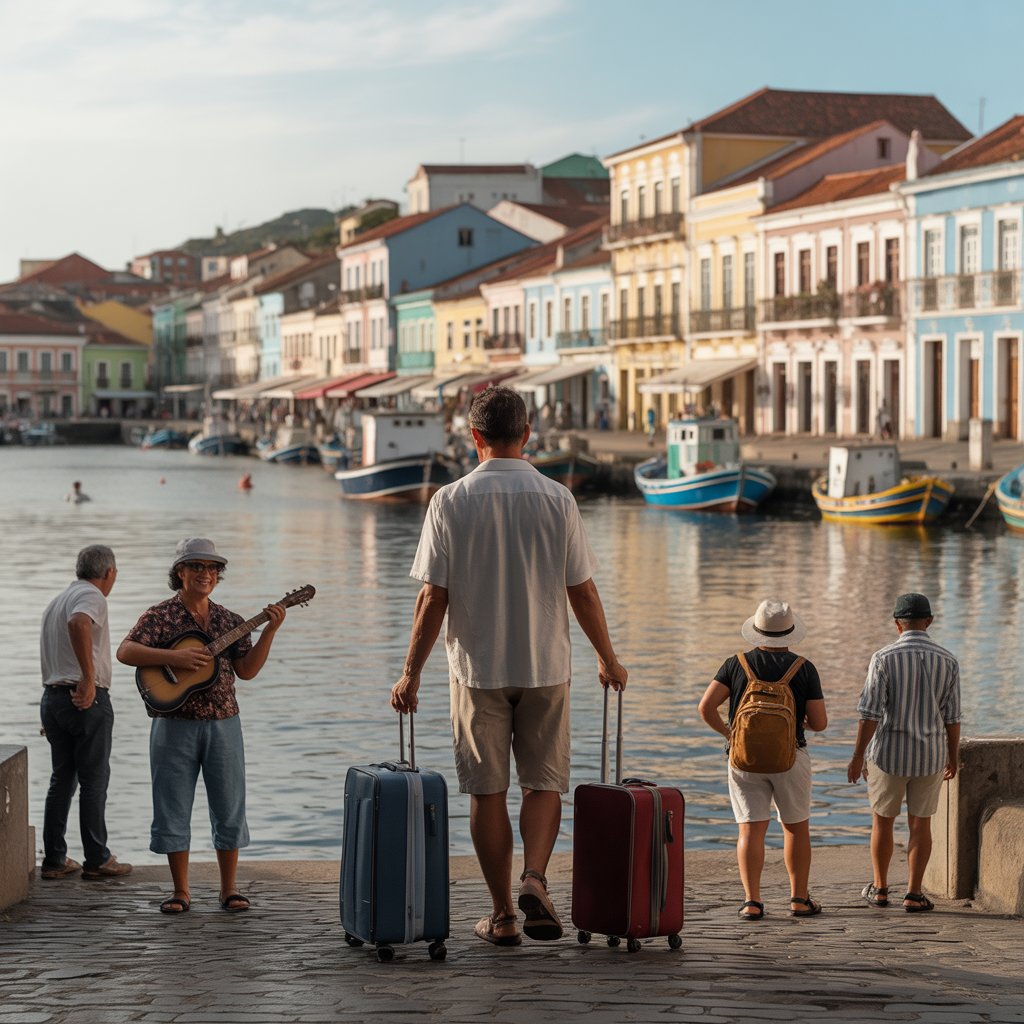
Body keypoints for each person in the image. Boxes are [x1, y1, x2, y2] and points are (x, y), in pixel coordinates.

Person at [390, 386, 628, 947]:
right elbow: (584, 592)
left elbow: (432, 599)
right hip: (547, 664)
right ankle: (535, 877)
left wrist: (411, 673)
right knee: (544, 784)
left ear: (475, 438)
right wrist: (608, 657)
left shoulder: (449, 500)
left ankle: (502, 916)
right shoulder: (557, 498)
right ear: (528, 434)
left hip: (478, 668)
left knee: (486, 791)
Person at [116, 538, 287, 915]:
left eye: (212, 569)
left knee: (229, 806)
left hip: (224, 723)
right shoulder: (160, 616)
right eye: (197, 567)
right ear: (180, 572)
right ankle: (181, 891)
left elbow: (247, 671)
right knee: (172, 805)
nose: (206, 574)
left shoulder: (229, 620)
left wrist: (269, 632)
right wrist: (172, 656)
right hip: (172, 724)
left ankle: (229, 890)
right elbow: (126, 651)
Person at [698, 598, 827, 920]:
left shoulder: (735, 664)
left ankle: (752, 902)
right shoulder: (804, 668)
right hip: (791, 757)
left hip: (744, 759)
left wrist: (731, 735)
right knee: (795, 829)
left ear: (756, 631)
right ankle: (799, 899)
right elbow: (821, 722)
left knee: (750, 830)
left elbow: (705, 708)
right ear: (790, 633)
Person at [847, 593, 961, 913]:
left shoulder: (883, 658)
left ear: (897, 624)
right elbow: (952, 718)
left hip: (888, 754)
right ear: (929, 621)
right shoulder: (948, 660)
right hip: (930, 755)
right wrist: (953, 756)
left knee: (882, 822)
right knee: (920, 824)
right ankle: (913, 893)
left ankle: (881, 888)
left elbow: (869, 713)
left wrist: (858, 756)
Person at [39, 545, 132, 880]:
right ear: (109, 573)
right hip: (83, 699)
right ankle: (97, 858)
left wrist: (53, 703)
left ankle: (54, 860)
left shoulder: (56, 601)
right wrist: (89, 680)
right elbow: (79, 624)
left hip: (52, 698)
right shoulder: (93, 597)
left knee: (62, 779)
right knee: (94, 779)